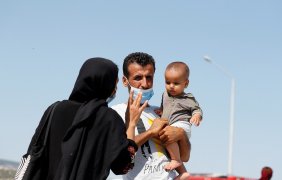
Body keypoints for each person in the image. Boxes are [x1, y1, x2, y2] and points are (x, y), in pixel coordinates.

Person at [26, 58, 147, 180]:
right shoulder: (109, 119)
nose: (114, 90)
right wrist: (131, 124)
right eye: (114, 84)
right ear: (105, 84)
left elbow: (34, 150)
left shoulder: (54, 109)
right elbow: (122, 166)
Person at [111, 52, 191, 180]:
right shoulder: (115, 113)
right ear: (125, 81)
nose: (145, 84)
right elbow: (119, 153)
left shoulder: (160, 112)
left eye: (149, 77)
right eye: (138, 78)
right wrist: (151, 132)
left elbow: (185, 157)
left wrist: (181, 134)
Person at [155, 61, 203, 180]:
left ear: (186, 83)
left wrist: (197, 116)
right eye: (168, 82)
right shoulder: (165, 94)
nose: (171, 86)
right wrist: (161, 110)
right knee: (169, 145)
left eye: (176, 83)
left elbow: (197, 109)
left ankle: (176, 160)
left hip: (182, 125)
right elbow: (164, 105)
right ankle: (183, 172)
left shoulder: (188, 98)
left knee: (168, 135)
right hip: (171, 124)